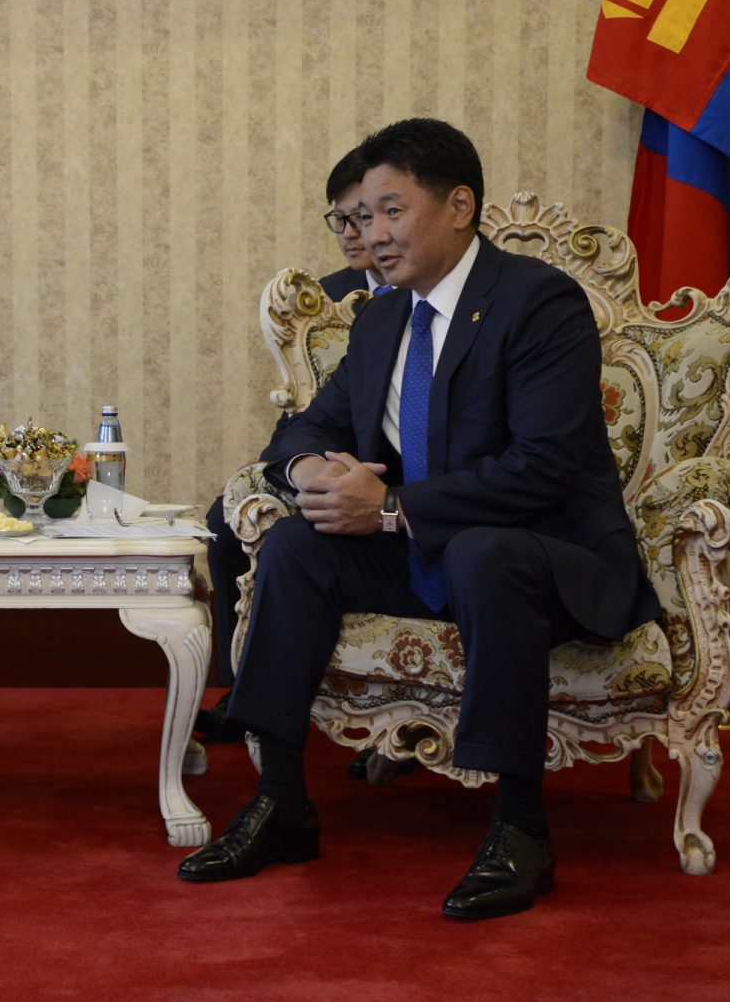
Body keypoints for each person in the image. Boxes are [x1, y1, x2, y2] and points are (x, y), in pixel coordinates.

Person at [177, 119, 659, 921]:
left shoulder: (538, 301)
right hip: (433, 548)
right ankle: (281, 801)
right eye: (360, 217)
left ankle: (520, 828)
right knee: (296, 543)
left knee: (482, 555)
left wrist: (394, 507)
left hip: (549, 556)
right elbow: (302, 430)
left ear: (459, 205)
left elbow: (543, 468)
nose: (371, 234)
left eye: (391, 211)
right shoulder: (382, 319)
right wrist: (310, 471)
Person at [197, 144, 387, 739]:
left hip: (396, 479)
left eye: (363, 216)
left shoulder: (444, 298)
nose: (352, 233)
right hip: (324, 459)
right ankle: (240, 691)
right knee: (227, 519)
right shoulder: (322, 302)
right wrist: (289, 468)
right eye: (340, 219)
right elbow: (301, 410)